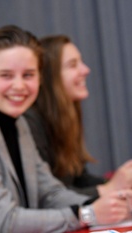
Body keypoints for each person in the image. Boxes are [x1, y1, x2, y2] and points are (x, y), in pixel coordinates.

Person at [0, 25, 132, 233]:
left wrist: (112, 206)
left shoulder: (18, 123)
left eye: (28, 75)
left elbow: (51, 193)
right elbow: (6, 221)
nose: (19, 86)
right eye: (6, 75)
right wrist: (87, 214)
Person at [24, 35, 132, 197]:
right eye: (73, 65)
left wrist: (120, 184)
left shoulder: (65, 118)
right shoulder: (30, 123)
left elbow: (79, 178)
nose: (85, 70)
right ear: (49, 76)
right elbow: (49, 196)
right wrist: (107, 190)